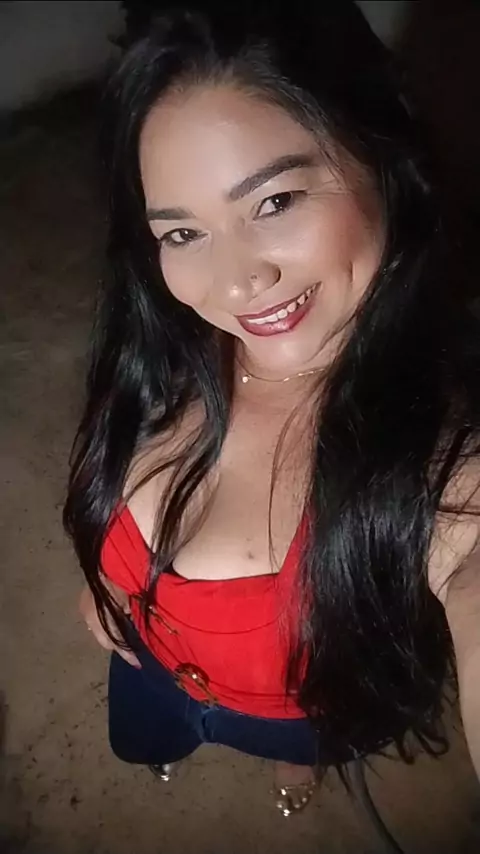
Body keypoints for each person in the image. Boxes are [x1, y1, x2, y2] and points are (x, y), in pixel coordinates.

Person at [64, 0, 480, 817]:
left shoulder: (443, 459)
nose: (235, 284)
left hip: (295, 714)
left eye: (275, 201)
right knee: (149, 732)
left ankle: (295, 767)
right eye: (182, 234)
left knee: (297, 746)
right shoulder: (163, 345)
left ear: (383, 159)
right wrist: (107, 584)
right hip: (145, 664)